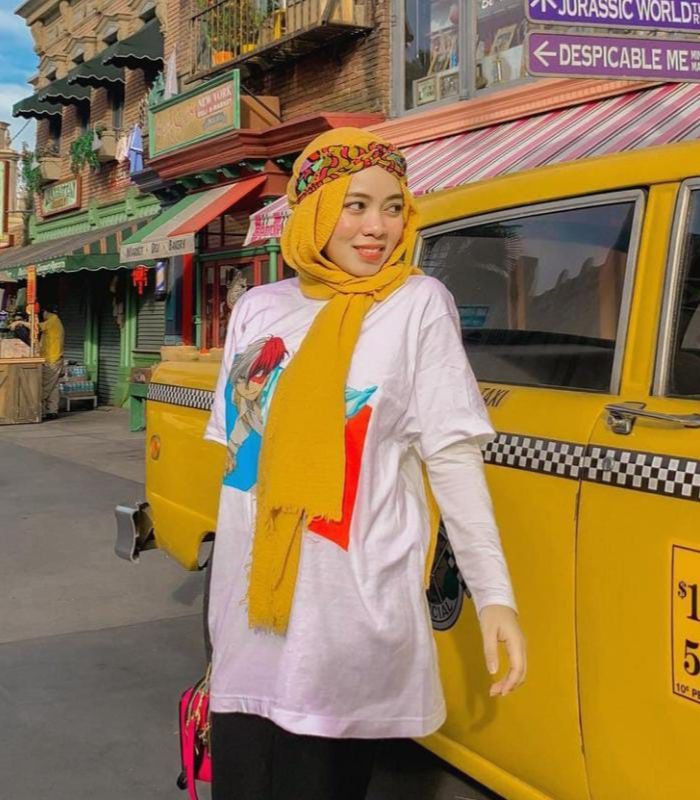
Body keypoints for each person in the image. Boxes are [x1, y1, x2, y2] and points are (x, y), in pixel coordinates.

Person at [204, 128, 526, 800]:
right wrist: (222, 621)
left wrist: (495, 595)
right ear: (314, 211)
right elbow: (240, 472)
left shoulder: (416, 305)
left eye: (392, 206)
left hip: (345, 627)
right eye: (355, 205)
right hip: (249, 623)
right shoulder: (259, 310)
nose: (378, 226)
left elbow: (453, 459)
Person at [39, 304, 64, 420]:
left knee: (45, 386)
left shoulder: (53, 321)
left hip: (51, 360)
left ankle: (39, 410)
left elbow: (36, 327)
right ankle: (52, 411)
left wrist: (20, 323)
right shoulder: (57, 322)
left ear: (46, 312)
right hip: (56, 359)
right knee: (53, 386)